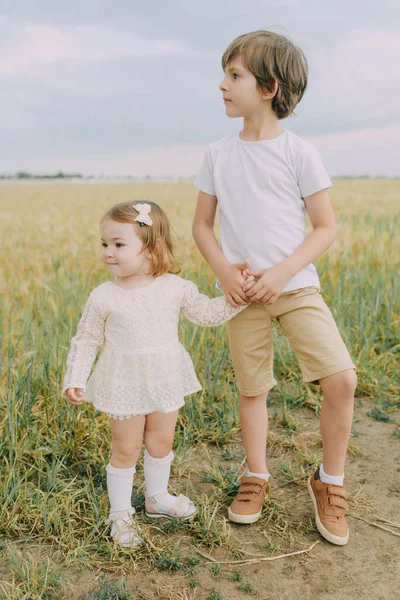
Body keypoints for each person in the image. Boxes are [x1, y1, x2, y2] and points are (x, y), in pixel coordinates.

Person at [192, 30, 357, 546]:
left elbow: (325, 227)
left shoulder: (300, 152)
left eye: (234, 75)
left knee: (342, 379)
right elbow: (201, 226)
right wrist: (223, 273)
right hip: (242, 295)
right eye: (225, 73)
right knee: (252, 389)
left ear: (269, 86)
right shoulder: (218, 154)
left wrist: (282, 273)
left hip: (296, 287)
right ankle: (256, 475)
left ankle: (329, 481)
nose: (222, 84)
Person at [63, 200, 249, 548]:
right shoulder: (104, 296)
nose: (108, 252)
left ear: (151, 249)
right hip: (124, 382)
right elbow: (86, 339)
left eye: (119, 244)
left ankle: (157, 498)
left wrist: (236, 297)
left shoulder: (173, 287)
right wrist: (75, 377)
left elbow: (205, 313)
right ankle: (119, 514)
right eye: (104, 244)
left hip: (164, 376)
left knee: (161, 442)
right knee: (126, 447)